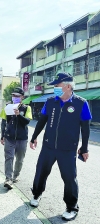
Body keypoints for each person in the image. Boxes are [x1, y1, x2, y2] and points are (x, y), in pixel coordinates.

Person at [29, 72, 92, 221]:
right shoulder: (51, 101)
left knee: (70, 178)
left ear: (68, 86)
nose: (55, 88)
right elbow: (42, 121)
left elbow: (85, 128)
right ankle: (36, 194)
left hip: (67, 149)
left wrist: (84, 148)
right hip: (48, 146)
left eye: (57, 86)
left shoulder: (81, 103)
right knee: (41, 172)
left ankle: (71, 208)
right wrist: (34, 137)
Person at [0, 87, 32, 189]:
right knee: (9, 158)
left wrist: (19, 115)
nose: (15, 97)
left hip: (22, 139)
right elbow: (3, 122)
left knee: (20, 160)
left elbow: (27, 122)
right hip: (9, 138)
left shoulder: (27, 108)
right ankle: (8, 179)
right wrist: (2, 135)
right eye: (13, 95)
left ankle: (15, 176)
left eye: (17, 96)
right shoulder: (7, 107)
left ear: (22, 97)